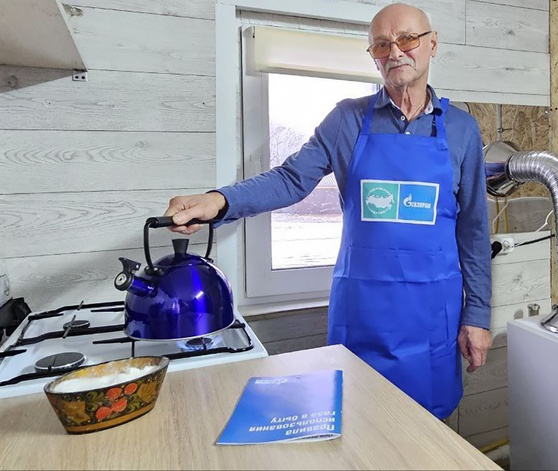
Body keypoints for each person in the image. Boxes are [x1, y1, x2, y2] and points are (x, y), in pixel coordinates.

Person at [164, 2, 492, 420]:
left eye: (407, 39)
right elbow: (291, 179)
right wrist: (219, 201)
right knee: (357, 419)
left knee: (428, 429)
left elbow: (473, 231)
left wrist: (477, 314)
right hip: (363, 315)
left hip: (434, 320)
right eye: (381, 45)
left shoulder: (462, 129)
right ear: (373, 56)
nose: (395, 52)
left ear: (432, 44)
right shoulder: (346, 120)